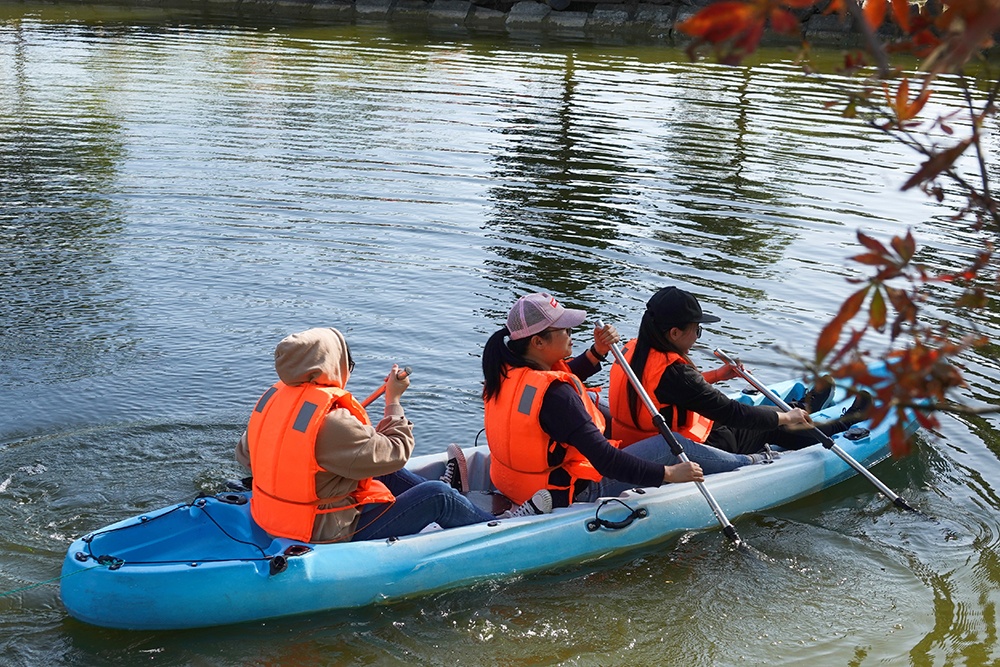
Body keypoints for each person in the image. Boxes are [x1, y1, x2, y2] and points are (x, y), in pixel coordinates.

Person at [482, 292, 765, 511]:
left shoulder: (505, 373)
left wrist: (597, 351)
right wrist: (669, 473)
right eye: (565, 330)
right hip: (566, 492)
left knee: (595, 408)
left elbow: (567, 376)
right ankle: (751, 463)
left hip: (513, 484)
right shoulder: (557, 396)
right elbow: (607, 462)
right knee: (667, 445)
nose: (571, 334)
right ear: (538, 342)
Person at [235, 327, 510, 544]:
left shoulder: (271, 403)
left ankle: (458, 497)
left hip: (273, 518)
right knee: (438, 496)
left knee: (383, 471)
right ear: (331, 365)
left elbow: (246, 456)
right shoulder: (331, 422)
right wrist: (393, 400)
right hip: (323, 531)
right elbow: (397, 452)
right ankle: (502, 528)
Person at [608, 286, 870, 456]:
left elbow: (667, 391)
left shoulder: (632, 349)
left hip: (641, 442)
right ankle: (844, 422)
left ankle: (800, 408)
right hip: (692, 448)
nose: (697, 337)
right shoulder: (676, 374)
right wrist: (784, 419)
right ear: (674, 333)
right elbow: (732, 413)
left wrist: (718, 375)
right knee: (774, 425)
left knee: (768, 414)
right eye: (697, 330)